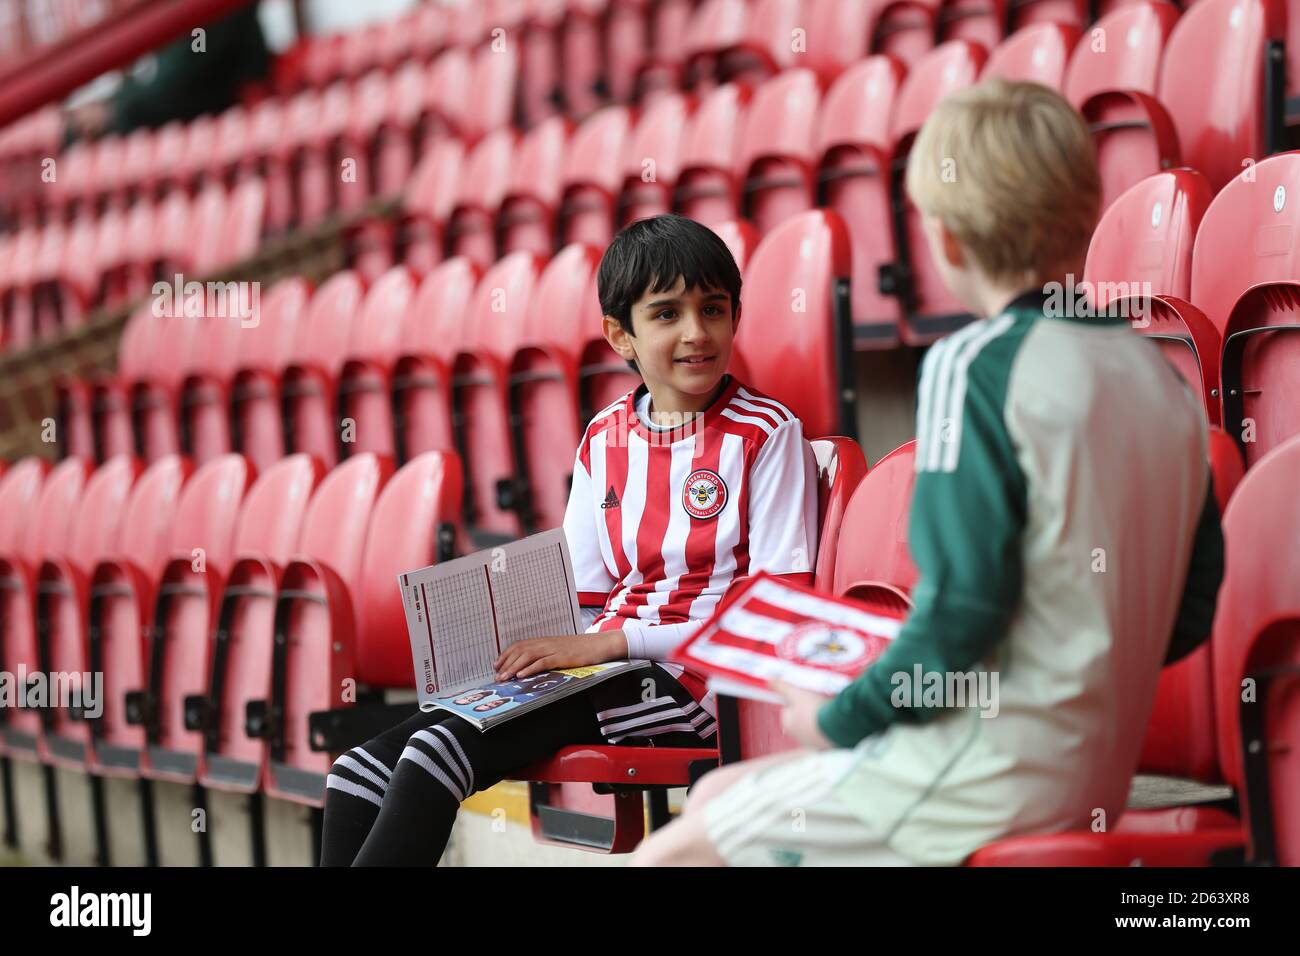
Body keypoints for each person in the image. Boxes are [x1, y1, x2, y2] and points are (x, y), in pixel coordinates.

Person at [633, 79, 1225, 867]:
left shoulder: (974, 366)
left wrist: (835, 717)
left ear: (944, 242)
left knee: (672, 855)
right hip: (1088, 773)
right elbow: (1189, 614)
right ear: (1087, 211)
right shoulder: (1166, 383)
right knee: (717, 797)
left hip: (978, 774)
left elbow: (961, 614)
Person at [319, 214, 818, 865]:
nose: (697, 332)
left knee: (433, 755)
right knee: (355, 770)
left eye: (714, 309)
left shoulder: (767, 433)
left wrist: (613, 641)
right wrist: (505, 652)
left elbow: (775, 613)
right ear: (621, 336)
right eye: (667, 315)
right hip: (598, 670)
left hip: (696, 688)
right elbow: (583, 594)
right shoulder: (604, 435)